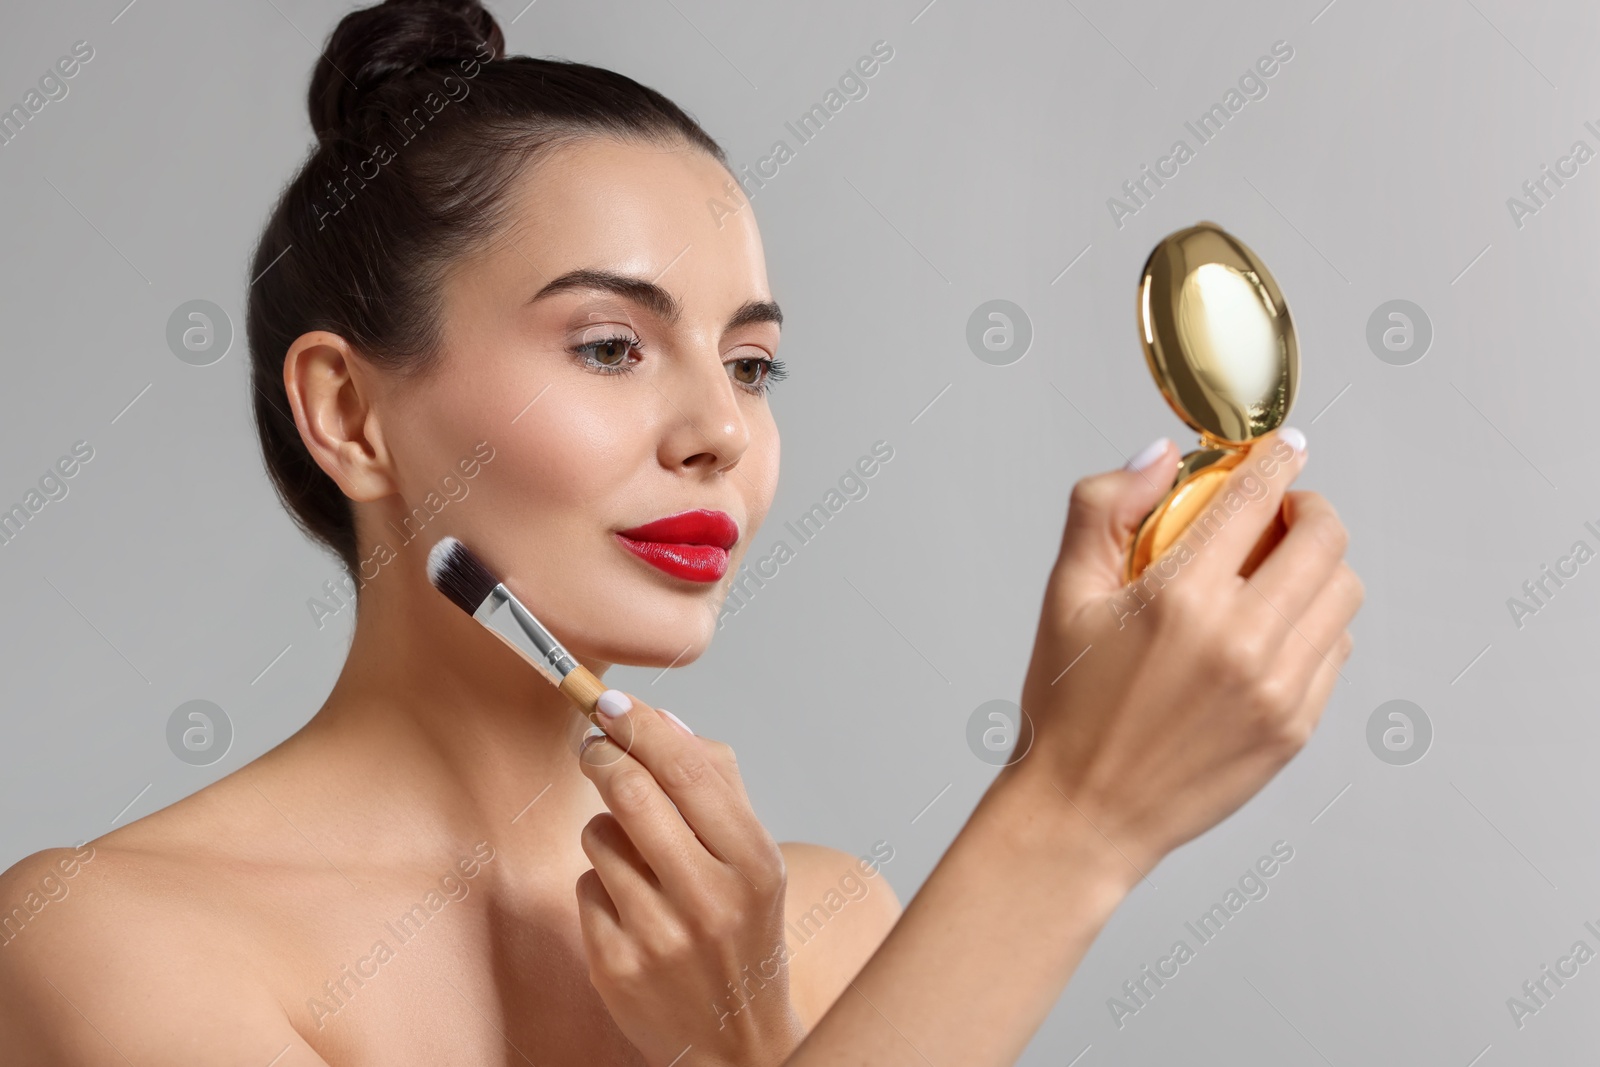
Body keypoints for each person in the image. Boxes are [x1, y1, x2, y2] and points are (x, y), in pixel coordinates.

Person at [0, 1, 1363, 1063]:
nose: (720, 429)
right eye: (609, 345)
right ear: (350, 412)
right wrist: (1072, 820)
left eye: (753, 365)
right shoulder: (104, 947)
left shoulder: (832, 933)